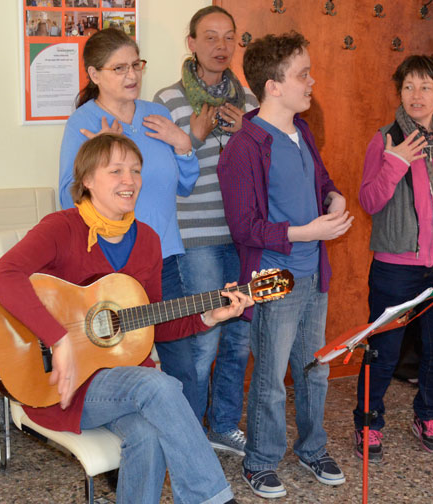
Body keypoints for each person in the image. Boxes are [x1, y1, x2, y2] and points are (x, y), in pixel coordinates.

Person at [0, 133, 246, 504]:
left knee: (149, 433)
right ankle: (214, 499)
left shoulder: (148, 241)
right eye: (116, 171)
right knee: (159, 385)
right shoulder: (61, 228)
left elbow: (150, 322)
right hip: (62, 384)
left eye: (136, 171)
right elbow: (1, 276)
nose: (130, 180)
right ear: (87, 180)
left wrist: (207, 316)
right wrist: (58, 339)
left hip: (120, 381)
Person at [218, 31, 353, 499]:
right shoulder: (243, 148)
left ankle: (313, 448)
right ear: (273, 86)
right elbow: (246, 229)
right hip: (274, 278)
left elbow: (321, 181)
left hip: (315, 273)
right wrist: (305, 233)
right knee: (272, 377)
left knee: (314, 369)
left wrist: (333, 196)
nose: (311, 81)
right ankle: (260, 461)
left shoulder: (302, 133)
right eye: (303, 74)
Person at [352, 55, 433, 459]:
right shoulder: (387, 138)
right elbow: (369, 200)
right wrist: (395, 164)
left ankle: (428, 414)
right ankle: (369, 421)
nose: (416, 95)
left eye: (426, 87)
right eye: (409, 86)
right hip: (396, 267)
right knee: (385, 350)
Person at [152, 5, 259, 457]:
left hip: (241, 236)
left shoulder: (250, 103)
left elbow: (263, 168)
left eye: (228, 37)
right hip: (194, 237)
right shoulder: (166, 100)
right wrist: (191, 138)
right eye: (209, 37)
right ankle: (188, 431)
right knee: (201, 339)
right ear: (191, 43)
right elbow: (160, 171)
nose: (220, 46)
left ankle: (223, 424)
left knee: (240, 338)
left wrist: (246, 133)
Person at [58, 28, 198, 352]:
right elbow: (68, 196)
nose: (132, 75)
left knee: (184, 362)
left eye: (136, 65)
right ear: (94, 74)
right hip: (112, 262)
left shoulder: (158, 115)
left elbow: (185, 185)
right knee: (122, 360)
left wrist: (184, 145)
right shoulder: (84, 122)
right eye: (119, 68)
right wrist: (96, 159)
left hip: (165, 257)